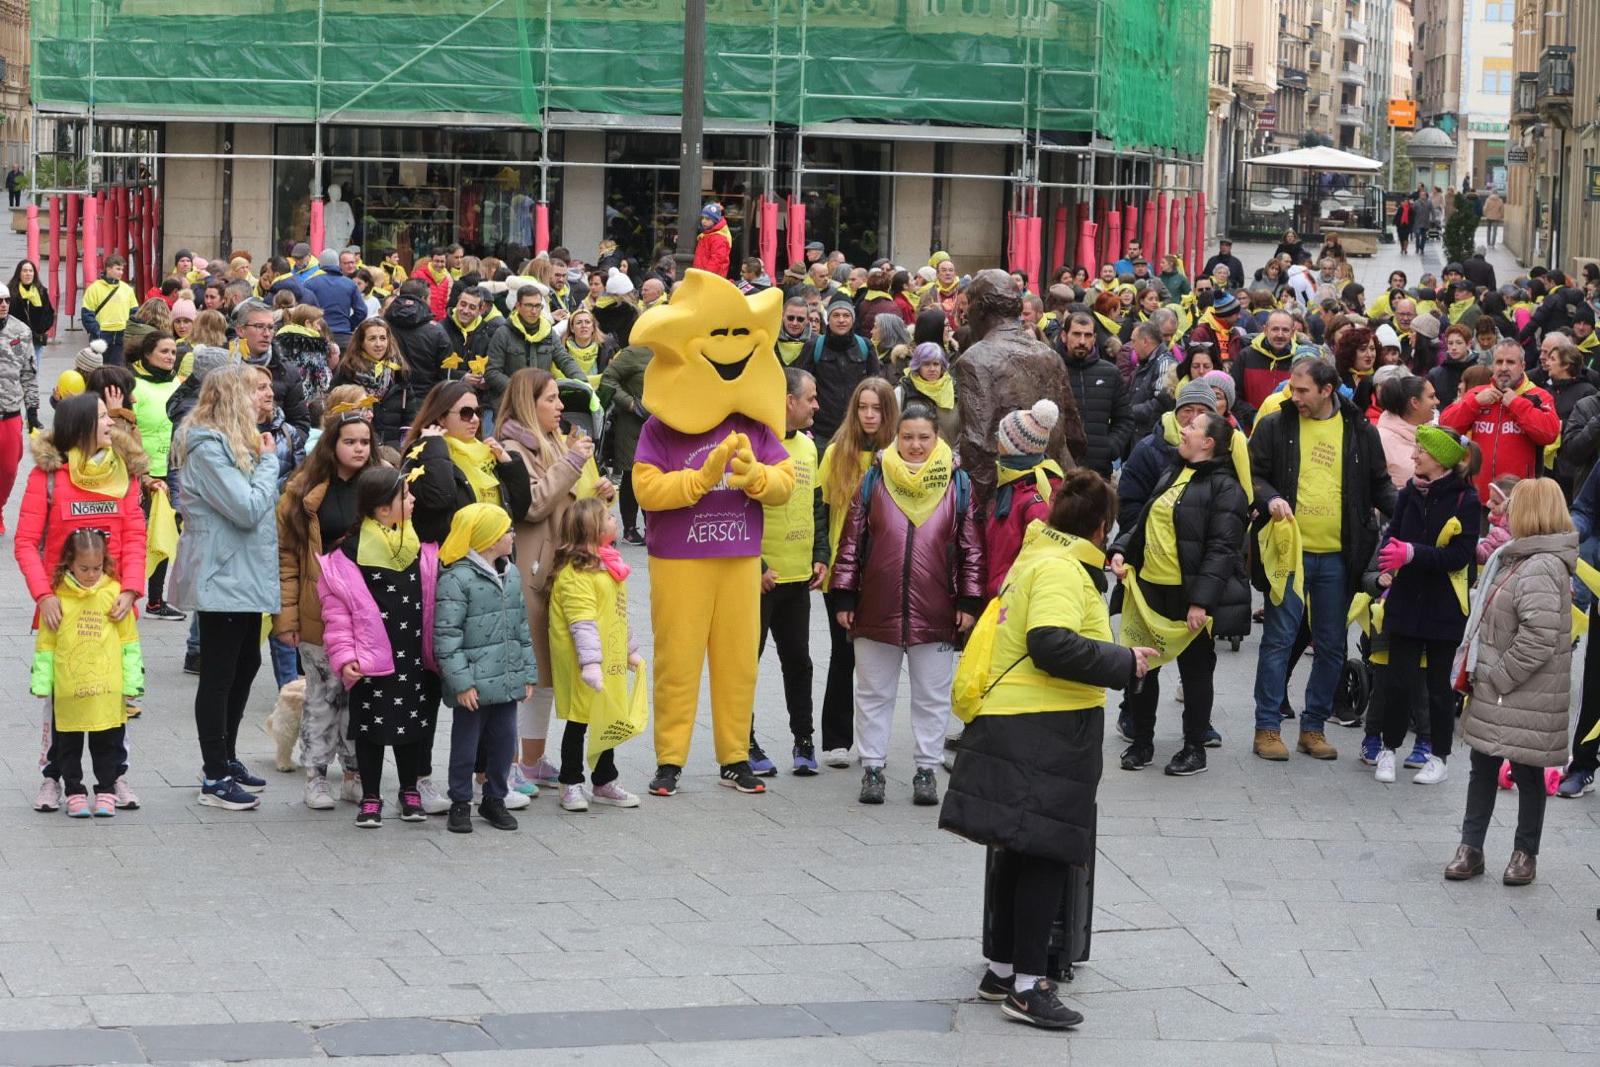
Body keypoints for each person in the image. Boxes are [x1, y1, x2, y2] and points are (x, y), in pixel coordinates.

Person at [940, 469, 1149, 1031]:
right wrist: (1124, 662)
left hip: (1017, 720)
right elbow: (1050, 642)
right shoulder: (1061, 569)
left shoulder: (1039, 558)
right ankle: (1030, 987)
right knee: (1047, 852)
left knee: (1018, 847)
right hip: (1044, 725)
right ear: (1102, 527)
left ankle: (1003, 969)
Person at [628, 269, 796, 797]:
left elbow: (786, 480)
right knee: (677, 661)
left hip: (740, 554)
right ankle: (670, 759)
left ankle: (734, 756)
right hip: (679, 556)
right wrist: (698, 480)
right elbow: (643, 488)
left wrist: (756, 477)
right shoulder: (661, 425)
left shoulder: (754, 421)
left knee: (738, 661)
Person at [829, 401, 984, 806]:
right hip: (876, 606)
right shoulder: (874, 479)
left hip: (936, 608)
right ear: (896, 437)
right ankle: (873, 768)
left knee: (931, 697)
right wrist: (844, 593)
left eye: (924, 438)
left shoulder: (958, 484)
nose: (915, 445)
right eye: (908, 437)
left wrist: (968, 600)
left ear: (938, 440)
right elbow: (851, 542)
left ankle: (926, 770)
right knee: (872, 693)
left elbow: (971, 549)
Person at [1248, 358, 1395, 761]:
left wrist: (1412, 518)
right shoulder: (1275, 425)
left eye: (1302, 391)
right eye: (1292, 390)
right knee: (1278, 640)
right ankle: (1268, 728)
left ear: (1327, 390)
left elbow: (1380, 485)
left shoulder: (1359, 430)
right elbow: (1252, 475)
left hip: (1339, 557)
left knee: (1331, 646)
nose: (1294, 397)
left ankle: (1312, 728)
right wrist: (1270, 497)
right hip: (1289, 555)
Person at [15, 392, 148, 811]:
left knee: (113, 694)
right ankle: (53, 778)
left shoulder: (123, 472)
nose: (111, 423)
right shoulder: (47, 477)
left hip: (112, 610)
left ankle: (115, 777)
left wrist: (129, 590)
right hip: (62, 610)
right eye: (103, 417)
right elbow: (25, 543)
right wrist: (44, 595)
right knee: (62, 698)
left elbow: (135, 537)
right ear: (80, 427)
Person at [1446, 479, 1576, 886]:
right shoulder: (1519, 556)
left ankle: (1524, 853)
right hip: (1501, 689)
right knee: (1482, 764)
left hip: (1520, 690)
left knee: (1527, 771)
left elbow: (1538, 638)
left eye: (1514, 505)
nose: (1503, 513)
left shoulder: (1541, 565)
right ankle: (1471, 848)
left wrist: (1498, 677)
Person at [494, 366, 616, 795]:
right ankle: (505, 764)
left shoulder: (556, 442)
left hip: (560, 570)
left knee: (545, 671)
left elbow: (570, 502)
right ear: (529, 403)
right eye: (550, 399)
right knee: (525, 673)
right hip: (531, 568)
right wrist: (572, 460)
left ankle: (531, 760)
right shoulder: (512, 447)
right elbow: (535, 504)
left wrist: (599, 494)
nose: (560, 406)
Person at [1110, 411, 1249, 777]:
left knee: (1196, 672)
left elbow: (1222, 549)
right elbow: (1145, 520)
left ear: (1209, 443)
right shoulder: (1173, 470)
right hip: (1150, 590)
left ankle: (1193, 748)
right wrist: (1122, 549)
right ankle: (1142, 743)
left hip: (1189, 596)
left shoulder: (1227, 488)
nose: (1183, 429)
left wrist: (1201, 601)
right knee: (1142, 668)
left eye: (1192, 428)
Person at [167, 364, 280, 811]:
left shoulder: (236, 442)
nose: (265, 396)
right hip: (224, 570)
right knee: (219, 672)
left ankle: (226, 756)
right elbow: (248, 507)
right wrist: (270, 462)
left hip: (243, 571)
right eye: (258, 389)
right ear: (234, 396)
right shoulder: (206, 445)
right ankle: (213, 774)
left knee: (246, 662)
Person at [318, 467, 442, 828]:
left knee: (413, 726)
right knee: (370, 728)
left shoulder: (419, 544)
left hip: (414, 655)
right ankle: (370, 795)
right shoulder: (350, 553)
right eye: (405, 496)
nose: (413, 500)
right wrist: (345, 657)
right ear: (383, 510)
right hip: (372, 660)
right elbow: (337, 613)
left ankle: (409, 791)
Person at [276, 394, 383, 809]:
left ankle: (354, 772)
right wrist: (286, 617)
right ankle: (316, 774)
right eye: (350, 441)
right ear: (332, 445)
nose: (359, 449)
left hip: (370, 612)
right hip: (319, 609)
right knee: (323, 696)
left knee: (362, 696)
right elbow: (286, 558)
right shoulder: (303, 491)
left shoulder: (382, 484)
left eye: (364, 442)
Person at [1370, 426, 1480, 787]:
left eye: (1421, 451)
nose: (1414, 456)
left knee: (1437, 686)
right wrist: (1388, 560)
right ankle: (1388, 748)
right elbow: (1394, 535)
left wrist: (1414, 553)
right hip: (1405, 600)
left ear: (1441, 459)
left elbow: (1461, 556)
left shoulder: (1466, 499)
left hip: (1444, 606)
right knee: (1397, 681)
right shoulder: (1408, 494)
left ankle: (1439, 755)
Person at [432, 501, 533, 833]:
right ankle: (460, 801)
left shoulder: (511, 573)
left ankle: (495, 798)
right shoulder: (457, 577)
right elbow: (446, 635)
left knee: (505, 741)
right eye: (506, 530)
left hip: (505, 679)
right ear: (489, 538)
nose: (512, 535)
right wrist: (461, 682)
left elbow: (521, 628)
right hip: (474, 682)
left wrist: (527, 673)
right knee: (466, 743)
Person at [30, 529, 144, 818]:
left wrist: (133, 682)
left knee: (107, 741)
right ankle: (74, 790)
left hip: (106, 689)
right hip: (69, 689)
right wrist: (42, 682)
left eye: (96, 568)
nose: (91, 575)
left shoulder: (114, 594)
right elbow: (46, 644)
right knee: (68, 743)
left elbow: (129, 642)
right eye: (84, 569)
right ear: (69, 563)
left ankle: (106, 789)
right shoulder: (57, 599)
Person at [817, 378, 898, 767]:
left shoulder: (900, 456)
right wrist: (820, 558)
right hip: (843, 571)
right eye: (863, 407)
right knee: (842, 653)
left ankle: (873, 740)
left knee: (878, 661)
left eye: (877, 408)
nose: (869, 415)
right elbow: (821, 508)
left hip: (885, 571)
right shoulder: (836, 453)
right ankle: (836, 738)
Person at [953, 271, 1086, 508]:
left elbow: (977, 446)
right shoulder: (1049, 355)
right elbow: (1075, 433)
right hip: (1057, 490)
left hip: (1009, 499)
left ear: (981, 308)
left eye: (969, 304)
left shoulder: (974, 360)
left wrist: (978, 513)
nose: (965, 312)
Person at [751, 367, 827, 776]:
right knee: (747, 663)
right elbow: (740, 511)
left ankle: (803, 740)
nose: (817, 404)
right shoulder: (756, 443)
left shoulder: (810, 448)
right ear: (787, 401)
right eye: (811, 397)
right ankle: (742, 741)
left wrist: (820, 553)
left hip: (798, 579)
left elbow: (816, 504)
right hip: (759, 580)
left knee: (799, 662)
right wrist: (757, 566)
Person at [547, 498, 645, 812]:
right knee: (579, 721)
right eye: (607, 517)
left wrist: (629, 650)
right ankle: (570, 781)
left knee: (608, 718)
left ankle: (604, 780)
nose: (615, 519)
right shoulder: (576, 574)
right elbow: (582, 623)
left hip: (609, 659)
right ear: (591, 530)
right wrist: (590, 664)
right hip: (584, 662)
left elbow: (618, 614)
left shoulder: (608, 565)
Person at [403, 380, 533, 545]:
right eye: (465, 413)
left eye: (478, 412)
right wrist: (434, 447)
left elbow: (519, 510)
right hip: (454, 561)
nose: (475, 419)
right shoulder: (422, 454)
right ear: (441, 418)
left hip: (495, 558)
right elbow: (440, 499)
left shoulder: (487, 453)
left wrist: (508, 465)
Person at [1440, 339, 1560, 500]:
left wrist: (1516, 404)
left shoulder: (1538, 396)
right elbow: (1446, 427)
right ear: (1492, 366)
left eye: (1510, 362)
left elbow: (1549, 433)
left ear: (1522, 366)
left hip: (1519, 501)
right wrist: (1474, 403)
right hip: (1478, 497)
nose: (1503, 368)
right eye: (1499, 362)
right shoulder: (1477, 394)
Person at [983, 401, 1065, 598]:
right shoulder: (1015, 483)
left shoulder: (1034, 500)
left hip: (1013, 600)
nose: (997, 442)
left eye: (1000, 437)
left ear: (1013, 448)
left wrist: (1002, 590)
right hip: (1004, 594)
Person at [1055, 313, 1133, 478]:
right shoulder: (1051, 371)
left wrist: (1110, 447)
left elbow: (1125, 419)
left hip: (1098, 472)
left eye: (1088, 335)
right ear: (1064, 336)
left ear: (1095, 338)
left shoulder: (1110, 373)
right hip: (1058, 471)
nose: (1082, 341)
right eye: (1076, 334)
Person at [485, 285, 582, 418]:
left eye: (538, 306)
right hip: (511, 406)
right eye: (529, 305)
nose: (534, 311)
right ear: (518, 306)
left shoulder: (548, 332)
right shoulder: (503, 333)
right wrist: (520, 390)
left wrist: (582, 383)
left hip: (541, 404)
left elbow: (564, 360)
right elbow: (492, 372)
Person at [807, 296, 878, 450]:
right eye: (836, 315)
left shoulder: (865, 346)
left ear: (852, 320)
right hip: (823, 432)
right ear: (828, 319)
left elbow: (877, 386)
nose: (841, 320)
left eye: (846, 315)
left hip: (858, 430)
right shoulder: (814, 346)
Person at [332, 317, 414, 448]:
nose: (378, 344)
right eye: (372, 339)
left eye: (382, 338)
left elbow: (410, 415)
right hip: (359, 445)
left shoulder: (399, 371)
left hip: (393, 447)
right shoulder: (348, 372)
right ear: (361, 342)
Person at [601, 342, 652, 545]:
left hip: (660, 422)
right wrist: (630, 403)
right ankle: (630, 529)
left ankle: (653, 528)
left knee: (656, 473)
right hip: (633, 424)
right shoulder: (633, 353)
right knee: (632, 474)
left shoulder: (674, 349)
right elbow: (609, 378)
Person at [1374, 375, 1437, 488]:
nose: (1437, 401)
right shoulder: (1381, 439)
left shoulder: (1435, 433)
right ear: (1415, 402)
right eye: (1431, 397)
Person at [894, 341, 959, 444]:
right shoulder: (901, 393)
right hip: (914, 456)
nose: (932, 369)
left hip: (950, 458)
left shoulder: (955, 390)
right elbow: (894, 431)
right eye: (926, 364)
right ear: (917, 366)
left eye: (936, 364)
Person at [302, 249, 367, 350]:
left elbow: (304, 310)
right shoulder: (350, 284)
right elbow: (362, 311)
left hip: (318, 336)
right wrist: (349, 324)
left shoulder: (309, 284)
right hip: (344, 337)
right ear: (338, 264)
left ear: (319, 264)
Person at [80, 256, 139, 366]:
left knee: (119, 368)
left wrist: (130, 330)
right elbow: (87, 314)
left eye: (122, 269)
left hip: (122, 333)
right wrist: (96, 331)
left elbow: (135, 312)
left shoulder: (127, 289)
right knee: (98, 367)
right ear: (108, 269)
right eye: (118, 269)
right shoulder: (94, 289)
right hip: (102, 334)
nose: (121, 272)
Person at [8, 261, 54, 368]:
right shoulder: (11, 292)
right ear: (19, 273)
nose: (28, 274)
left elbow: (49, 313)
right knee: (17, 370)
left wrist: (42, 329)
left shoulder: (41, 292)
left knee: (33, 371)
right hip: (16, 341)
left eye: (30, 271)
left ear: (34, 274)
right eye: (24, 271)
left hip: (35, 340)